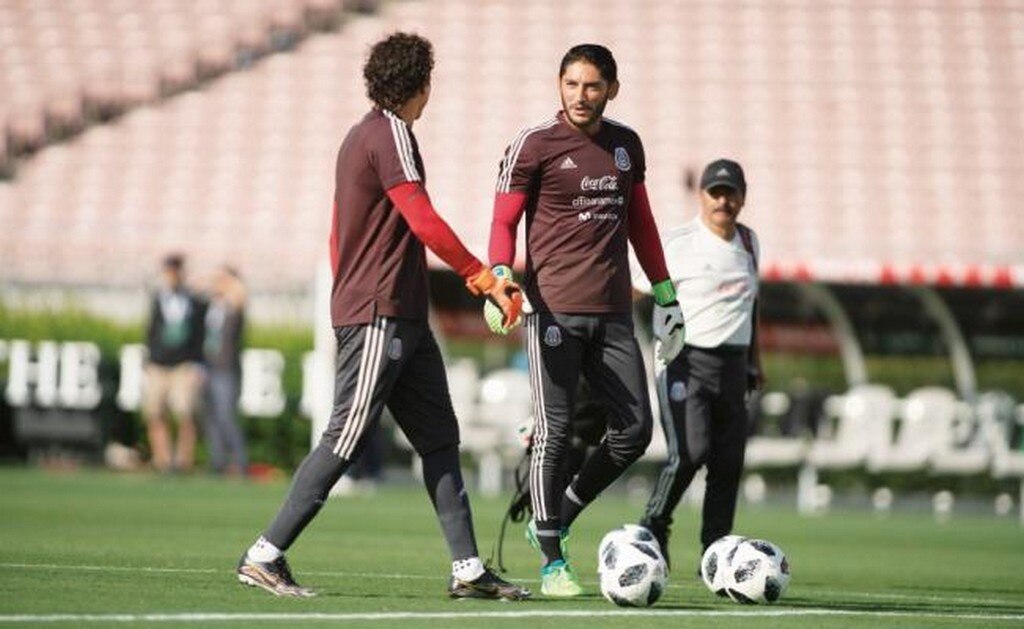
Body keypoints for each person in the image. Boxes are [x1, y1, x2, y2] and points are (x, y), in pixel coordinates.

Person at [236, 32, 530, 601]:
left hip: (401, 312)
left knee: (440, 439)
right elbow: (422, 220)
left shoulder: (360, 135)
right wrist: (483, 278)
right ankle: (264, 554)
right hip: (380, 312)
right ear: (421, 85)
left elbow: (340, 231)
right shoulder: (391, 132)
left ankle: (468, 569)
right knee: (346, 435)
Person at [487, 43, 686, 596]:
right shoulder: (534, 145)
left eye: (592, 85)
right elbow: (503, 220)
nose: (581, 95)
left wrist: (666, 292)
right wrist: (499, 274)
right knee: (553, 432)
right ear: (559, 85)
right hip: (550, 311)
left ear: (611, 90)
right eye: (571, 84)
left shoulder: (626, 146)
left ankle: (560, 513)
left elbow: (640, 223)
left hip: (614, 315)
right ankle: (554, 563)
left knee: (635, 433)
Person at [637, 158, 763, 571]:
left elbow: (751, 304)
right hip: (684, 359)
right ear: (701, 195)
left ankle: (717, 549)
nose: (723, 201)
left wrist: (754, 359)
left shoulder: (748, 241)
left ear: (743, 197)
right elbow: (635, 290)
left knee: (728, 463)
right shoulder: (678, 242)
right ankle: (654, 526)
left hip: (733, 367)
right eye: (716, 192)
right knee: (689, 453)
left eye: (731, 193)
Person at [143, 253, 206, 473]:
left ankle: (182, 460)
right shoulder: (158, 298)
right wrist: (148, 361)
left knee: (186, 412)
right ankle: (162, 459)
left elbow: (200, 334)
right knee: (155, 412)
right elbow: (151, 331)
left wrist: (199, 364)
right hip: (159, 364)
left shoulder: (194, 300)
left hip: (183, 364)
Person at [202, 265, 248, 476]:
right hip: (208, 366)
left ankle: (240, 462)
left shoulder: (234, 307)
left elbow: (240, 295)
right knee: (211, 416)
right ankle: (217, 461)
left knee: (226, 416)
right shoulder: (213, 307)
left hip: (226, 368)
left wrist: (231, 282)